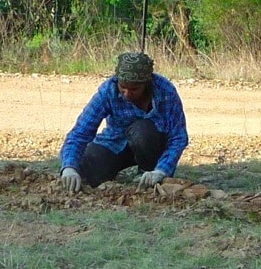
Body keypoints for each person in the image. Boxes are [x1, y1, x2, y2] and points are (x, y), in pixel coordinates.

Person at [59, 52, 189, 192]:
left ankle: (148, 174)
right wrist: (69, 168)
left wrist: (162, 170)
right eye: (123, 88)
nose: (127, 93)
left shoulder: (165, 91)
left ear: (147, 84)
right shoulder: (108, 90)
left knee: (142, 131)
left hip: (151, 144)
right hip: (116, 142)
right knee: (88, 168)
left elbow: (178, 137)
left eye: (134, 89)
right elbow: (80, 132)